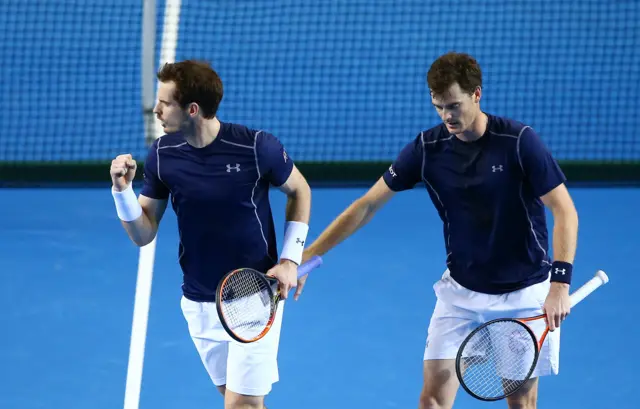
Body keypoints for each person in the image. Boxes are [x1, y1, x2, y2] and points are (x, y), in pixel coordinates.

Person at [301, 52, 578, 409]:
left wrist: (559, 284)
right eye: (438, 107)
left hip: (522, 295)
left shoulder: (519, 142)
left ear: (477, 94)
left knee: (521, 403)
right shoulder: (427, 149)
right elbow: (367, 205)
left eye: (453, 105)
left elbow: (565, 211)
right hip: (460, 293)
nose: (447, 116)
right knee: (431, 400)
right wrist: (310, 253)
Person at [109, 60, 311, 409]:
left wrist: (291, 259)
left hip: (254, 293)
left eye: (164, 103)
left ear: (192, 109)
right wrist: (121, 192)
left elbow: (300, 191)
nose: (155, 110)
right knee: (238, 401)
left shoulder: (255, 147)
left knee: (241, 405)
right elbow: (142, 234)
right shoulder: (162, 155)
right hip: (199, 301)